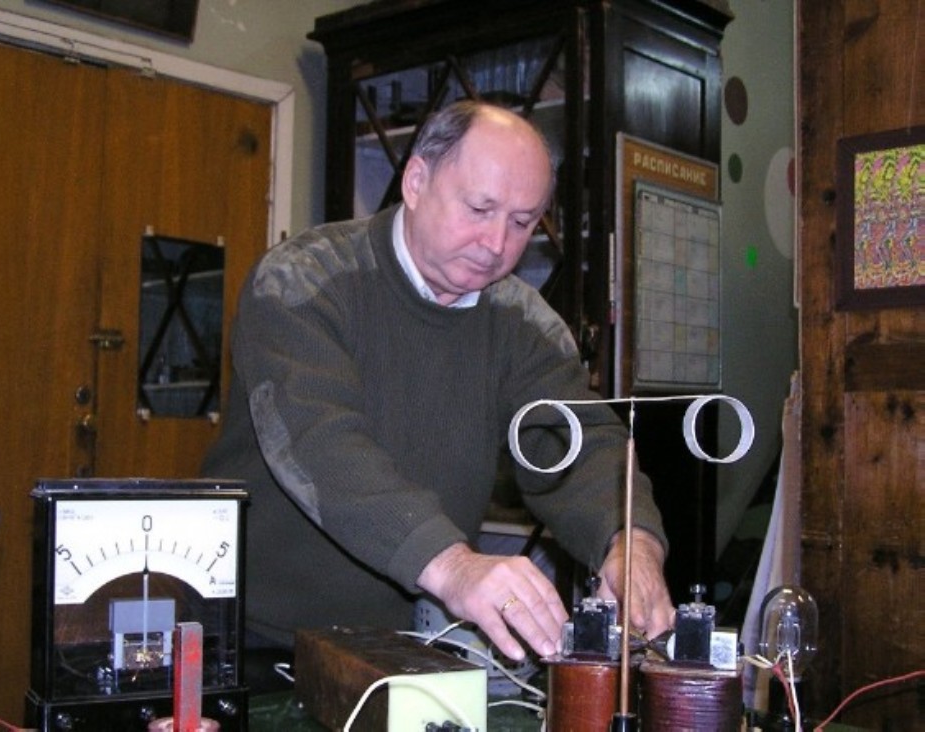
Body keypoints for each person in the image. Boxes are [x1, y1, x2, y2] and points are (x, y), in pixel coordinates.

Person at [201, 100, 673, 667]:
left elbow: (579, 446)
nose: (497, 243)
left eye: (522, 223)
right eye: (480, 208)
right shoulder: (304, 281)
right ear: (418, 180)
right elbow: (321, 444)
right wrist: (455, 566)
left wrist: (631, 542)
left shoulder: (524, 327)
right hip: (250, 638)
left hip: (403, 647)